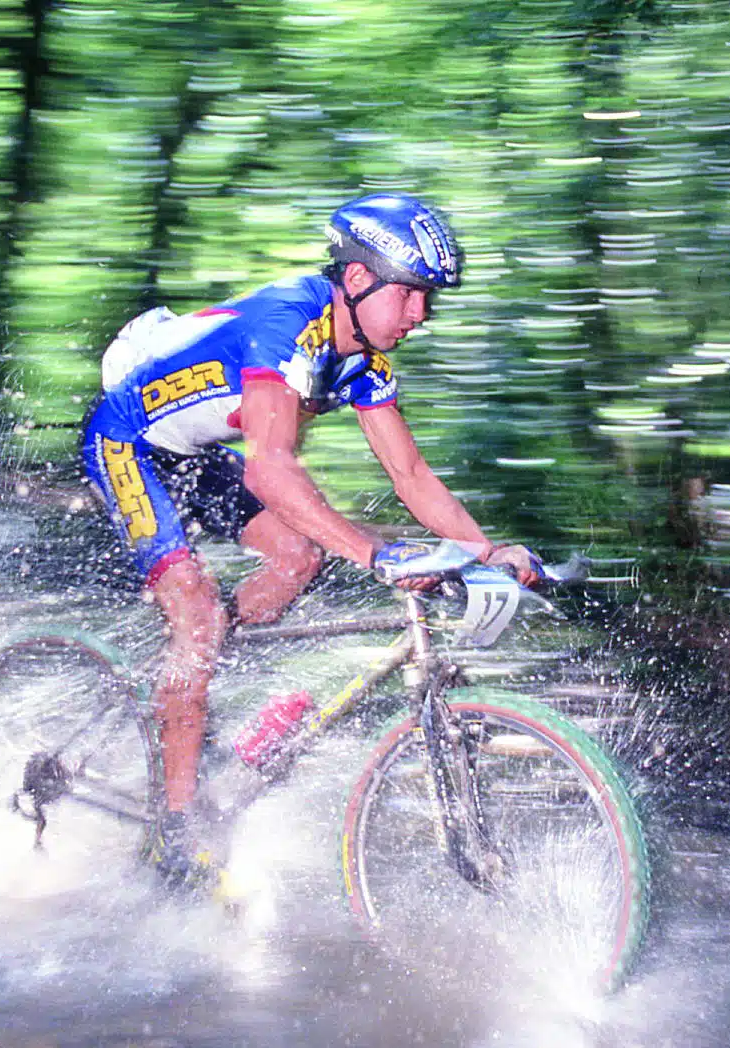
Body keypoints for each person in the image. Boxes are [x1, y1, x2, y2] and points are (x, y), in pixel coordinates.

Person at [80, 193, 538, 892]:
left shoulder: (365, 361)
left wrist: (486, 550)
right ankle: (174, 830)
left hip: (196, 453)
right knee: (200, 615)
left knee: (299, 557)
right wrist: (377, 553)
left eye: (429, 301)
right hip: (128, 444)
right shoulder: (286, 322)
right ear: (357, 280)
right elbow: (270, 466)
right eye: (411, 295)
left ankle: (188, 679)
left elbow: (411, 477)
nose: (421, 316)